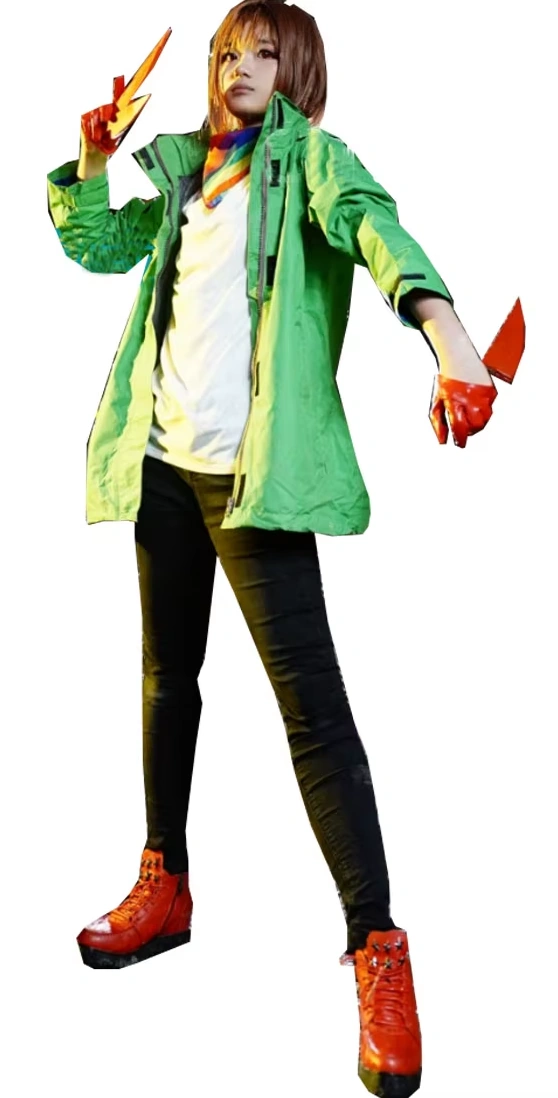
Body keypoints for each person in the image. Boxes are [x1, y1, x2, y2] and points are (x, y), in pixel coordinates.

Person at [47, 3, 501, 1095]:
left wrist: (452, 343)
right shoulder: (186, 175)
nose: (238, 67)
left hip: (255, 482)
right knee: (167, 679)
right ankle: (166, 881)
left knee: (314, 711)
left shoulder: (312, 167)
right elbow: (97, 246)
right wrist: (92, 163)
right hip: (162, 463)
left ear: (296, 72)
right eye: (225, 52)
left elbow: (380, 234)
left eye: (262, 53)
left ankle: (377, 945)